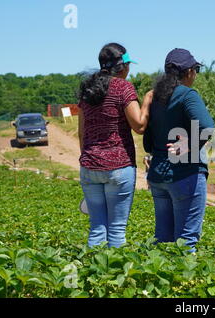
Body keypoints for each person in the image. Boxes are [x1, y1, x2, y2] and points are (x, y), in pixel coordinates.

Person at [78, 43, 151, 247]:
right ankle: (114, 277)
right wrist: (147, 101)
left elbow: (81, 133)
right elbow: (139, 125)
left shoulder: (88, 89)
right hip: (118, 168)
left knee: (97, 227)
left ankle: (93, 273)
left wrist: (90, 159)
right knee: (117, 229)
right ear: (123, 66)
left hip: (89, 167)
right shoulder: (123, 87)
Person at [143, 48, 215, 253]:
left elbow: (148, 143)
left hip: (158, 176)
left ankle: (163, 282)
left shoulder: (155, 97)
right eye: (196, 70)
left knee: (163, 240)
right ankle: (185, 283)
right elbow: (207, 127)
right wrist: (187, 145)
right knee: (186, 241)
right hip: (185, 175)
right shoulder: (187, 94)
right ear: (189, 71)